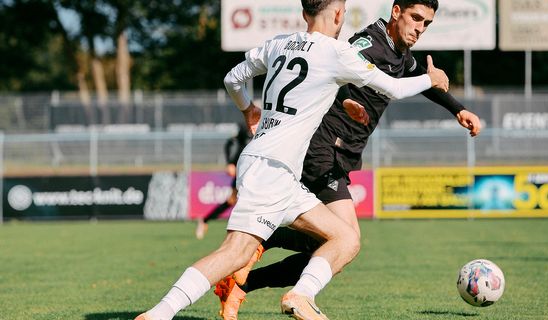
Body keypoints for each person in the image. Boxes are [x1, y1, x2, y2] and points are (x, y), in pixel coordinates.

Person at [135, 0, 449, 319]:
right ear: (339, 15)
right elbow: (393, 88)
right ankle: (160, 313)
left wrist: (248, 109)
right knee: (234, 252)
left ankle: (301, 295)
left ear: (304, 14)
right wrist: (431, 78)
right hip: (272, 169)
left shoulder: (278, 43)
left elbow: (232, 78)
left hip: (275, 168)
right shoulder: (337, 53)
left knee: (346, 238)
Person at [213, 0, 483, 319]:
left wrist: (458, 109)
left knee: (327, 247)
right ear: (396, 11)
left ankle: (246, 271)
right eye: (415, 18)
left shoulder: (400, 54)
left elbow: (422, 77)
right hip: (322, 150)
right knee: (346, 241)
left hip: (339, 155)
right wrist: (347, 99)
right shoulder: (368, 44)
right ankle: (284, 284)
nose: (419, 28)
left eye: (426, 23)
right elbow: (331, 68)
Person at [195, 123, 252, 239]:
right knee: (233, 201)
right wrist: (230, 162)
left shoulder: (264, 128)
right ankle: (205, 220)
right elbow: (230, 143)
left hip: (251, 171)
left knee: (236, 201)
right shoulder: (245, 129)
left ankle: (206, 220)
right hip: (242, 171)